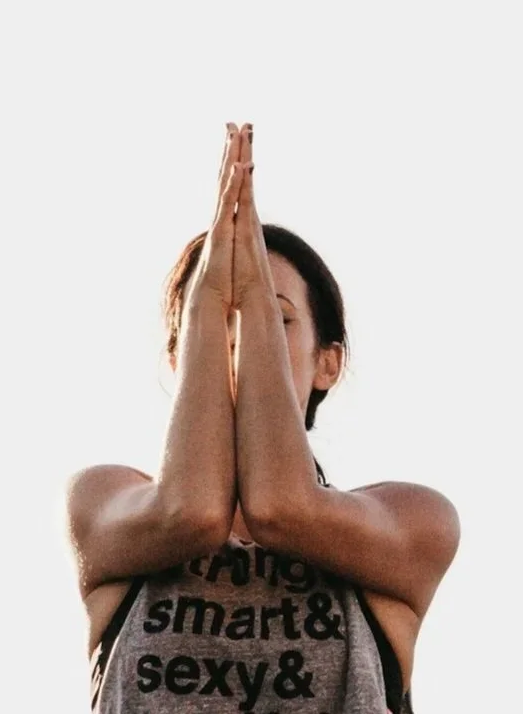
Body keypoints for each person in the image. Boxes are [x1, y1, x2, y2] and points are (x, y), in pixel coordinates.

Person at [66, 122, 460, 713]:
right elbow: (190, 512)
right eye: (217, 324)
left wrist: (243, 290)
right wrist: (209, 296)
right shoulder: (102, 501)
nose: (241, 343)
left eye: (274, 321)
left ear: (328, 363)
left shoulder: (410, 520)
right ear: (181, 358)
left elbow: (283, 506)